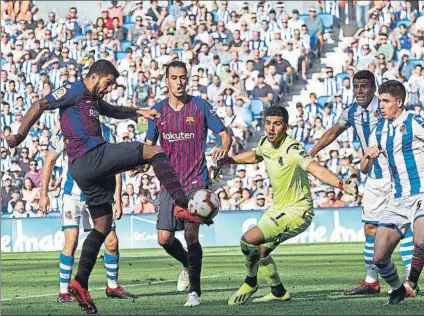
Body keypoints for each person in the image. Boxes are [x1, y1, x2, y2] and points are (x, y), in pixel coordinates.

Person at [5, 60, 202, 314]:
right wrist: (20, 136)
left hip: (85, 172)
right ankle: (182, 204)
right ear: (96, 76)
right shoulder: (74, 89)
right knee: (154, 150)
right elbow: (40, 104)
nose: (109, 88)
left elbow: (110, 109)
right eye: (108, 83)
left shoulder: (93, 100)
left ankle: (80, 282)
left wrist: (137, 112)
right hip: (92, 156)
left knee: (103, 225)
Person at [217, 106, 357, 305]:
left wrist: (343, 185)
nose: (271, 129)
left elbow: (317, 170)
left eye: (277, 124)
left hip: (298, 210)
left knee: (248, 240)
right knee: (261, 253)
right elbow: (256, 155)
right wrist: (229, 160)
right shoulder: (265, 142)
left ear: (286, 127)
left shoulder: (293, 149)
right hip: (277, 208)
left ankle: (250, 282)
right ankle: (278, 291)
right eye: (268, 123)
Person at [309, 70, 413, 295]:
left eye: (364, 86)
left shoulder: (385, 106)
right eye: (355, 86)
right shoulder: (352, 112)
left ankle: (409, 281)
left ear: (373, 88)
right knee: (370, 228)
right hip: (373, 177)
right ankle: (371, 281)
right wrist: (313, 151)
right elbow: (333, 132)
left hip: (396, 176)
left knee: (406, 228)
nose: (359, 91)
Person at [145, 61, 232, 307]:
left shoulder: (200, 107)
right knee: (164, 238)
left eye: (183, 77)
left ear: (188, 78)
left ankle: (195, 292)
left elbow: (224, 134)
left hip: (196, 182)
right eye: (174, 77)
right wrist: (141, 161)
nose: (179, 82)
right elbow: (149, 145)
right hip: (169, 183)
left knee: (191, 235)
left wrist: (223, 149)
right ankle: (186, 263)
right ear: (167, 80)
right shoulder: (158, 111)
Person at [39, 137, 136, 302]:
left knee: (112, 241)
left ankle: (112, 286)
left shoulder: (106, 133)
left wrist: (117, 199)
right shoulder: (66, 132)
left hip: (99, 196)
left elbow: (116, 167)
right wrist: (43, 194)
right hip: (73, 196)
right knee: (71, 241)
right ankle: (64, 292)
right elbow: (49, 159)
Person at [361, 80, 424, 304]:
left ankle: (411, 283)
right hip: (397, 198)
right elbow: (363, 168)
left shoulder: (415, 121)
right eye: (380, 101)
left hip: (421, 193)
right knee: (379, 257)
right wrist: (369, 155)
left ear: (399, 102)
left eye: (386, 101)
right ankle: (398, 288)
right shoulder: (379, 130)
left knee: (421, 239)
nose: (382, 106)